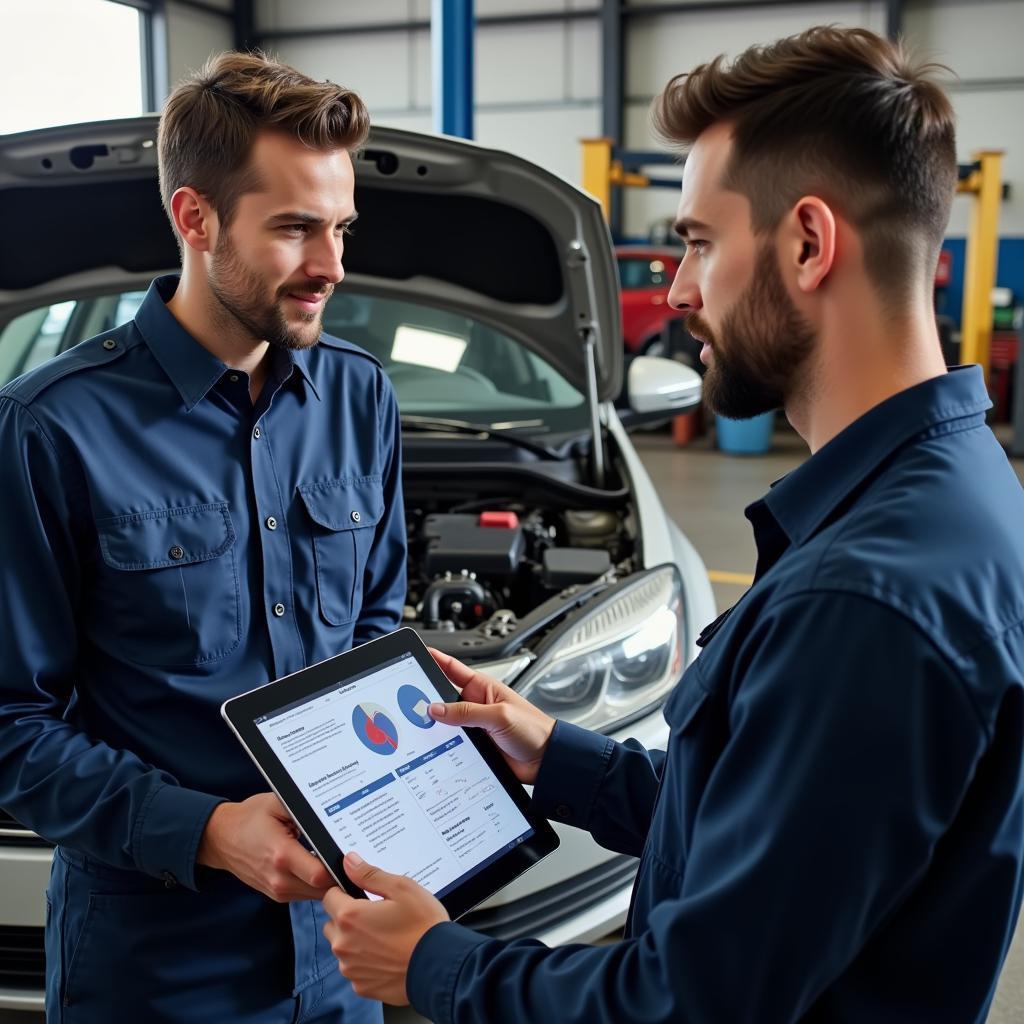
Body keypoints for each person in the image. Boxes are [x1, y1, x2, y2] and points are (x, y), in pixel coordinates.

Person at [319, 25, 1024, 1023]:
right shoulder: (955, 486)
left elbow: (693, 1002)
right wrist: (553, 753)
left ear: (809, 243)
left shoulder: (862, 599)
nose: (681, 290)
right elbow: (775, 827)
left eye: (696, 240)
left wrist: (433, 963)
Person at [0, 52, 405, 1023]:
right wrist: (212, 830)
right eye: (296, 229)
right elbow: (11, 725)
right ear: (195, 218)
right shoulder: (51, 427)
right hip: (155, 961)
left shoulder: (359, 396)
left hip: (343, 943)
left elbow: (373, 635)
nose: (332, 266)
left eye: (341, 227)